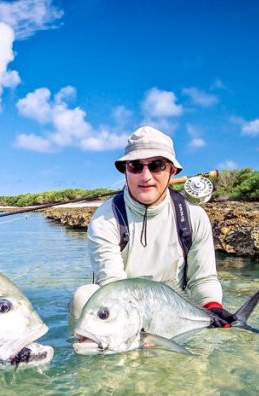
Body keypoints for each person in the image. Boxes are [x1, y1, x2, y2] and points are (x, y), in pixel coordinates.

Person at [69, 126, 236, 329]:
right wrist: (140, 324)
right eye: (136, 166)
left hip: (175, 307)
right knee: (83, 297)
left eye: (156, 165)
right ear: (125, 171)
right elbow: (113, 285)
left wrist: (212, 307)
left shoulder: (194, 216)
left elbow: (203, 279)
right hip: (124, 309)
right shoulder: (104, 220)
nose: (145, 176)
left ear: (172, 170)